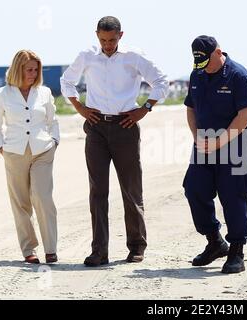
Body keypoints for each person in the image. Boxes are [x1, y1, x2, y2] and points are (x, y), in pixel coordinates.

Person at [60, 16, 169, 267]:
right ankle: (99, 251)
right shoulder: (87, 55)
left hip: (125, 126)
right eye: (102, 40)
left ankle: (137, 246)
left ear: (121, 35)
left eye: (111, 40)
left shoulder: (134, 56)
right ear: (96, 35)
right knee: (98, 191)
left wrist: (146, 108)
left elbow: (161, 82)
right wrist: (79, 107)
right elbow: (67, 82)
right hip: (96, 127)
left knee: (131, 189)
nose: (107, 45)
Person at [183, 36, 247, 274]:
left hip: (236, 146)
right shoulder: (197, 74)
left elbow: (246, 114)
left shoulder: (239, 76)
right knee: (194, 189)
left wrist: (220, 142)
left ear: (218, 52)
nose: (205, 68)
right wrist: (197, 137)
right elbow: (191, 109)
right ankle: (215, 241)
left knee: (233, 197)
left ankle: (237, 250)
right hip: (205, 144)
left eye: (207, 62)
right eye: (200, 64)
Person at [0, 50, 60, 264]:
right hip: (14, 152)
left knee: (42, 197)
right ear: (18, 69)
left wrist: (54, 141)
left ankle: (50, 249)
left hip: (42, 151)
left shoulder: (45, 92)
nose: (33, 73)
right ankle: (29, 249)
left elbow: (53, 121)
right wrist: (1, 148)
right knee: (20, 202)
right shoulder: (2, 94)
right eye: (29, 69)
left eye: (36, 70)